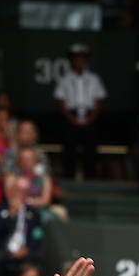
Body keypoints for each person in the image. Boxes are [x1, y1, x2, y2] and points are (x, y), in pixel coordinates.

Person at [53, 42, 106, 179]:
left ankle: (91, 177)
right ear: (71, 60)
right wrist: (72, 119)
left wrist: (89, 119)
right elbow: (60, 102)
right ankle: (69, 177)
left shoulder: (94, 79)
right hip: (70, 115)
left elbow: (98, 101)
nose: (79, 61)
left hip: (90, 116)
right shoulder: (64, 80)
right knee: (69, 149)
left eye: (82, 58)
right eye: (76, 58)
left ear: (86, 60)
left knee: (91, 148)